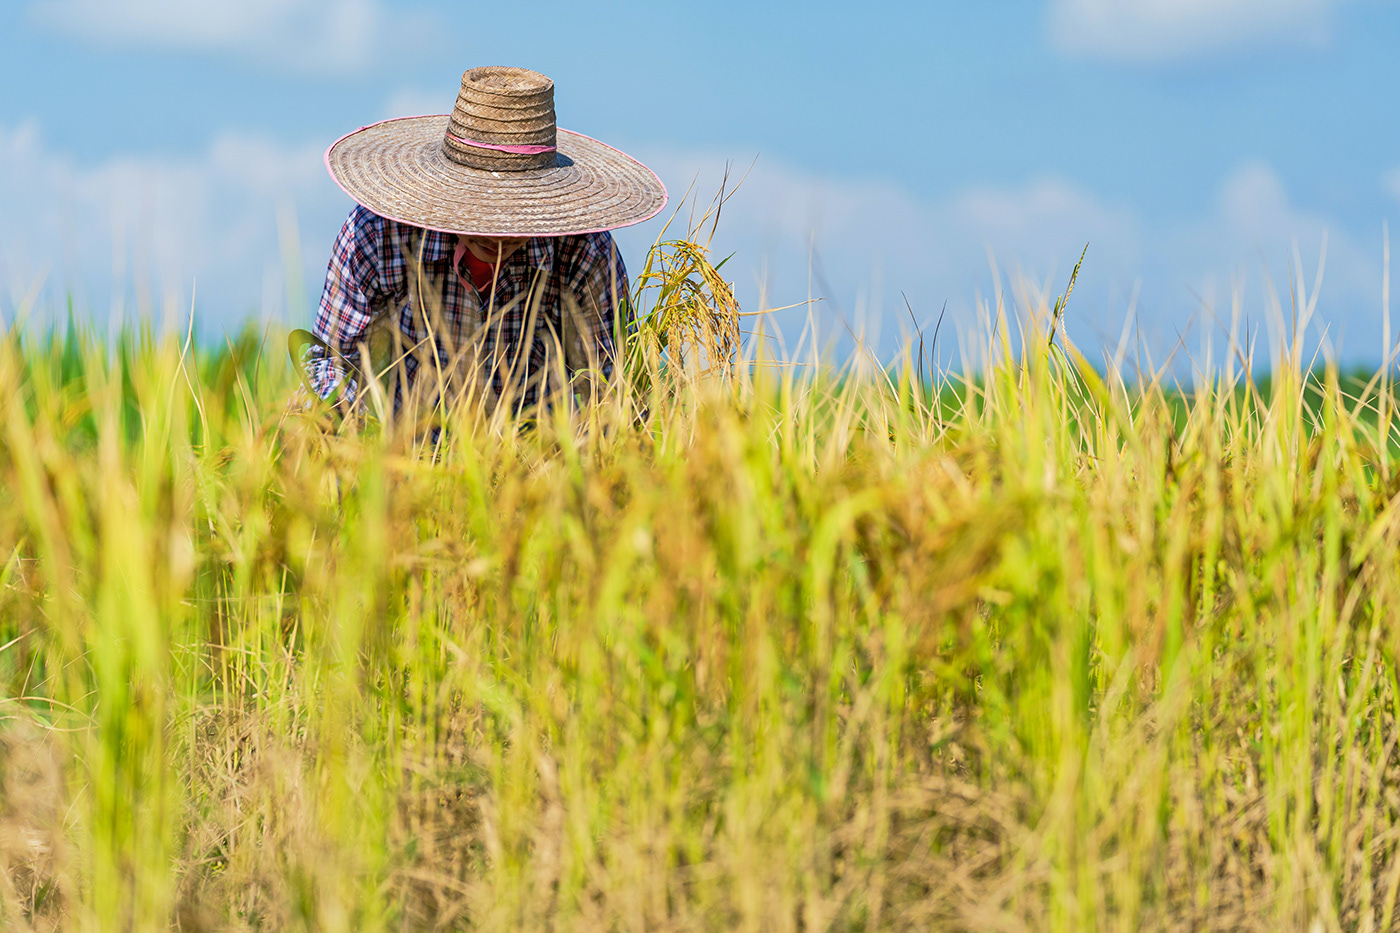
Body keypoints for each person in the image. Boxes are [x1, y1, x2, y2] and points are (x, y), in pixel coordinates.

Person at [303, 65, 666, 418]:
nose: (498, 233)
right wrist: (354, 431)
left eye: (517, 211)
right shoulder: (378, 234)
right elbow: (332, 361)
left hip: (535, 461)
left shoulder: (583, 252)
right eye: (482, 208)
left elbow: (611, 381)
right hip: (405, 452)